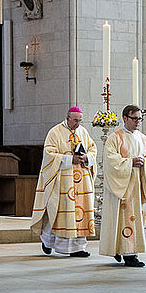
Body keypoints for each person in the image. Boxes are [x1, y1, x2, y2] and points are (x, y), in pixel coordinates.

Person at [31, 106, 97, 257]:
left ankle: (78, 247)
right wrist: (69, 159)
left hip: (81, 180)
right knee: (59, 212)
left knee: (80, 213)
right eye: (75, 120)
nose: (77, 124)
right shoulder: (55, 132)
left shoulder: (83, 132)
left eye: (80, 121)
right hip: (63, 181)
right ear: (67, 117)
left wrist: (87, 158)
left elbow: (93, 148)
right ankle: (48, 241)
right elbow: (49, 155)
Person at [99, 105, 146, 267]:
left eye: (140, 118)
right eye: (135, 118)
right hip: (122, 187)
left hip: (138, 186)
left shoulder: (143, 138)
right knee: (122, 219)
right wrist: (129, 162)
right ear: (125, 118)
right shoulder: (115, 137)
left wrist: (145, 163)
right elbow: (111, 161)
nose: (138, 122)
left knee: (135, 219)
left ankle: (130, 252)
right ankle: (125, 253)